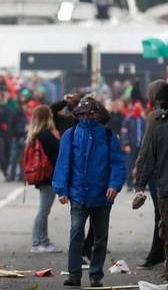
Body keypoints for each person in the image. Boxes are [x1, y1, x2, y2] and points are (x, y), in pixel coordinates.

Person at [53, 98, 126, 288]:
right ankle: (74, 274)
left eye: (89, 113)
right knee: (76, 234)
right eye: (82, 114)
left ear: (97, 113)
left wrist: (115, 185)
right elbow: (63, 163)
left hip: (102, 196)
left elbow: (117, 163)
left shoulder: (108, 135)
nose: (86, 117)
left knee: (100, 238)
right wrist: (61, 189)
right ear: (77, 115)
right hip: (78, 194)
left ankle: (95, 275)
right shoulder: (70, 134)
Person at [135, 83, 168, 278]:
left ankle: (158, 255)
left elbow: (147, 148)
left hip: (161, 177)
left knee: (162, 219)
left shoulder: (155, 118)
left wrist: (139, 172)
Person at [26, 105, 61, 254]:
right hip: (48, 176)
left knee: (44, 210)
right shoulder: (46, 135)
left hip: (41, 175)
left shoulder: (35, 134)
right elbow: (58, 153)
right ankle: (37, 242)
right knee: (43, 211)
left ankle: (44, 241)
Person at [121, 102, 145, 189]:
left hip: (140, 146)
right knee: (130, 164)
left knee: (140, 165)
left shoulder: (142, 119)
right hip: (131, 145)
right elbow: (124, 133)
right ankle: (129, 183)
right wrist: (126, 143)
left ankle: (139, 183)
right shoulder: (128, 119)